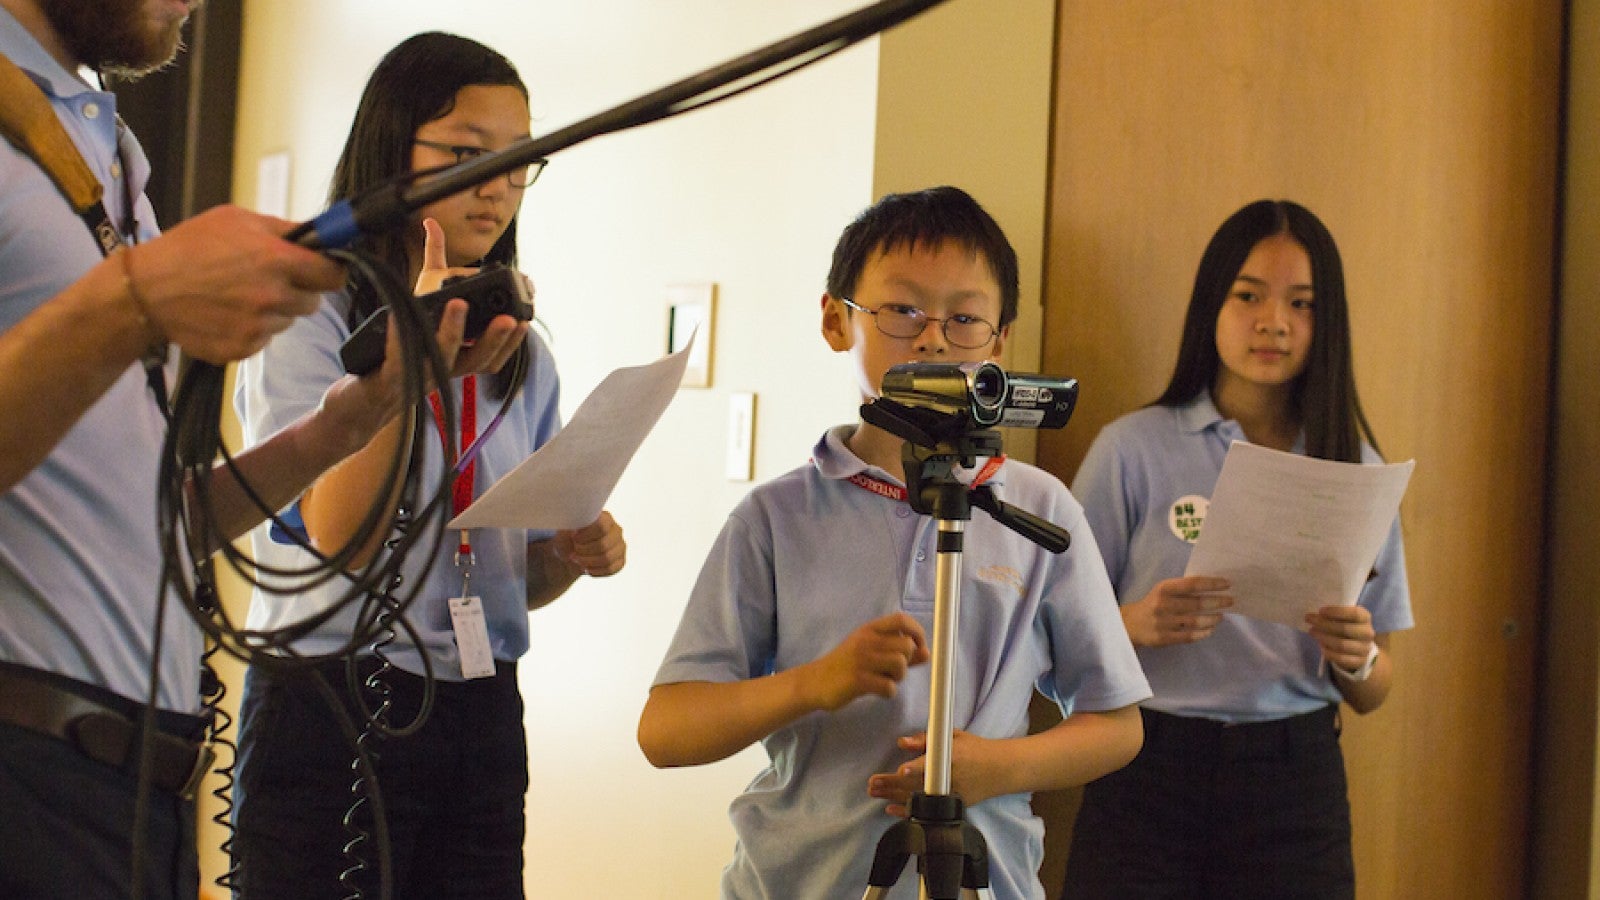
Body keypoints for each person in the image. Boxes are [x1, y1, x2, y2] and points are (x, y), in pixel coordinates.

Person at [0, 2, 518, 899]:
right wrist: (133, 298)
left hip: (133, 785)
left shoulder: (106, 152)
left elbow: (170, 518)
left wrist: (349, 422)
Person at [637, 186, 1149, 900]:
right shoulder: (776, 517)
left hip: (984, 879)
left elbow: (1117, 724)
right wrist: (814, 683)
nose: (933, 338)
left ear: (999, 341)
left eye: (964, 318)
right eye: (902, 310)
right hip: (799, 881)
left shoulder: (1037, 506)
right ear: (835, 320)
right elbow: (666, 731)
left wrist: (996, 768)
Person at [231, 32, 627, 900]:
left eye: (520, 162)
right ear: (392, 152)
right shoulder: (312, 315)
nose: (497, 188)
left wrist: (564, 554)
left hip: (480, 709)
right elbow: (337, 533)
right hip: (330, 696)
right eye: (466, 155)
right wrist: (405, 358)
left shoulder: (522, 352)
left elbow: (506, 576)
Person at [1059, 199, 1414, 899]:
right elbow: (1047, 635)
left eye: (1301, 303)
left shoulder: (1355, 466)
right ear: (1211, 302)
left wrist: (1358, 654)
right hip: (1144, 761)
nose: (1273, 321)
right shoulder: (1133, 449)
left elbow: (1376, 690)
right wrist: (1134, 625)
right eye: (1248, 294)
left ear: (1327, 320)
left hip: (1294, 776)